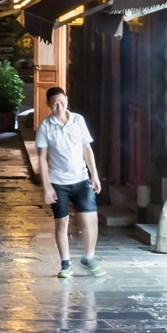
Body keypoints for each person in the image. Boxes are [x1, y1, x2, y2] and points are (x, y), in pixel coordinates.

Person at [35, 86, 105, 278]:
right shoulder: (45, 127)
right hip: (58, 181)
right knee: (62, 222)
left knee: (90, 218)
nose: (59, 106)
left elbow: (86, 148)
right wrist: (47, 186)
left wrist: (94, 175)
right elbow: (41, 158)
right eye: (55, 103)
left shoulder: (78, 120)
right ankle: (65, 264)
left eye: (62, 102)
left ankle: (89, 257)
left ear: (67, 100)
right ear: (48, 104)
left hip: (81, 178)